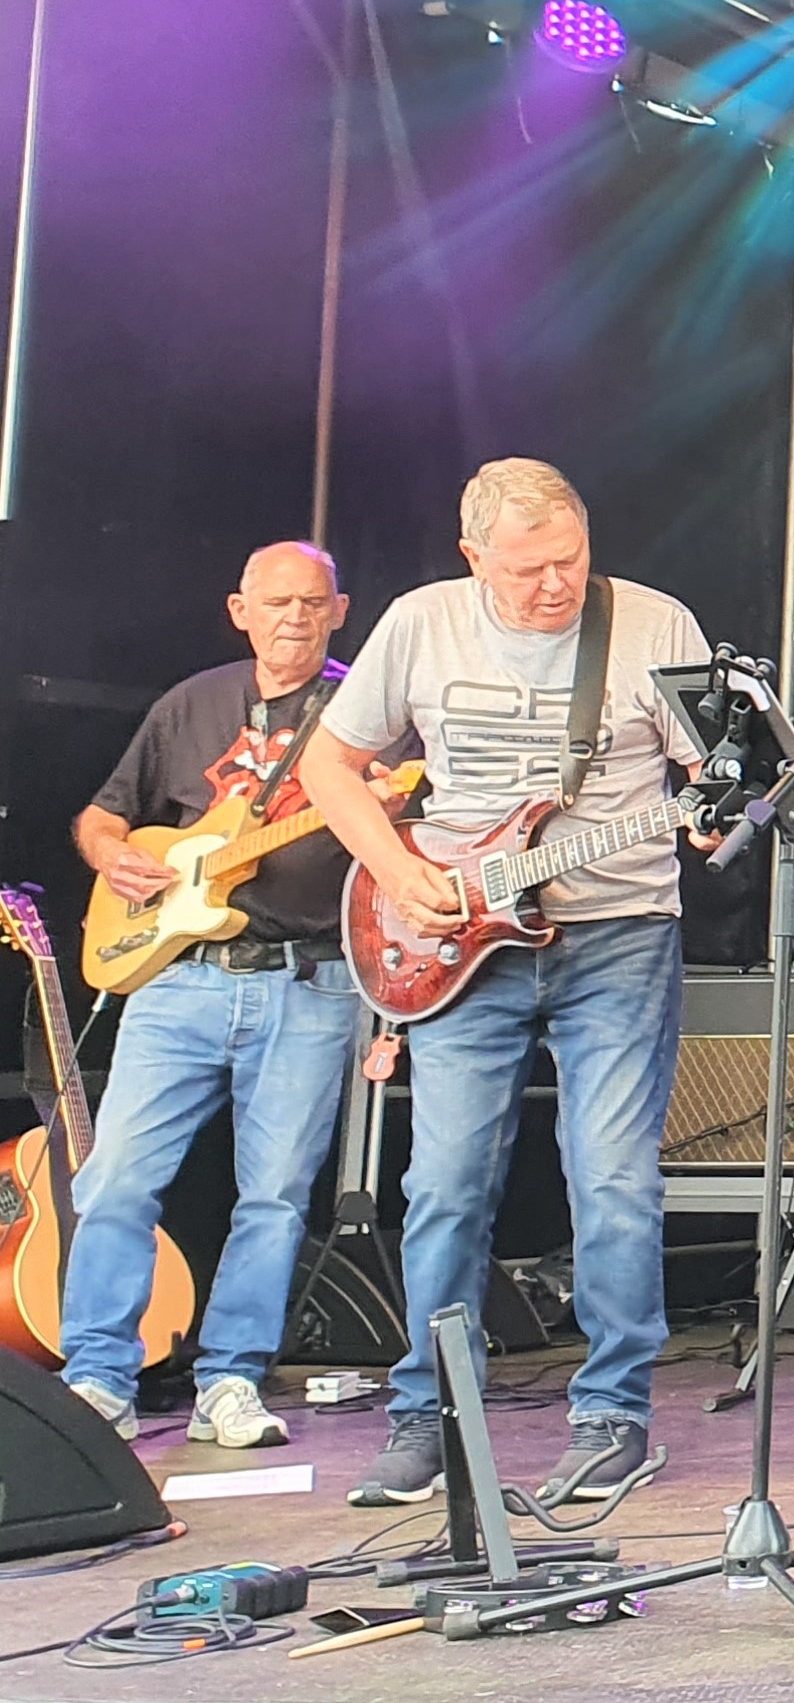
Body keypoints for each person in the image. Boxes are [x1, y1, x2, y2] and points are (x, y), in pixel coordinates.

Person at [307, 461, 714, 1508]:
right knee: (444, 1184)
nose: (555, 584)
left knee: (613, 1177)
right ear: (472, 556)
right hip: (456, 935)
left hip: (619, 931)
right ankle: (428, 1414)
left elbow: (716, 777)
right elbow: (327, 767)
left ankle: (613, 1414)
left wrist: (722, 815)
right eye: (528, 569)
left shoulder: (654, 623)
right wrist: (399, 872)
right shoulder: (421, 622)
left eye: (570, 559)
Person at [58, 544, 384, 1449]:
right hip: (175, 979)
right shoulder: (190, 703)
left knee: (274, 1196)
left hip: (308, 979)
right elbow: (103, 813)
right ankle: (96, 1378)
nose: (294, 618)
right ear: (240, 609)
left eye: (312, 602)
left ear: (340, 610)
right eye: (276, 602)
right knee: (116, 1178)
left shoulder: (368, 715)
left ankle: (231, 1381)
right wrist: (110, 856)